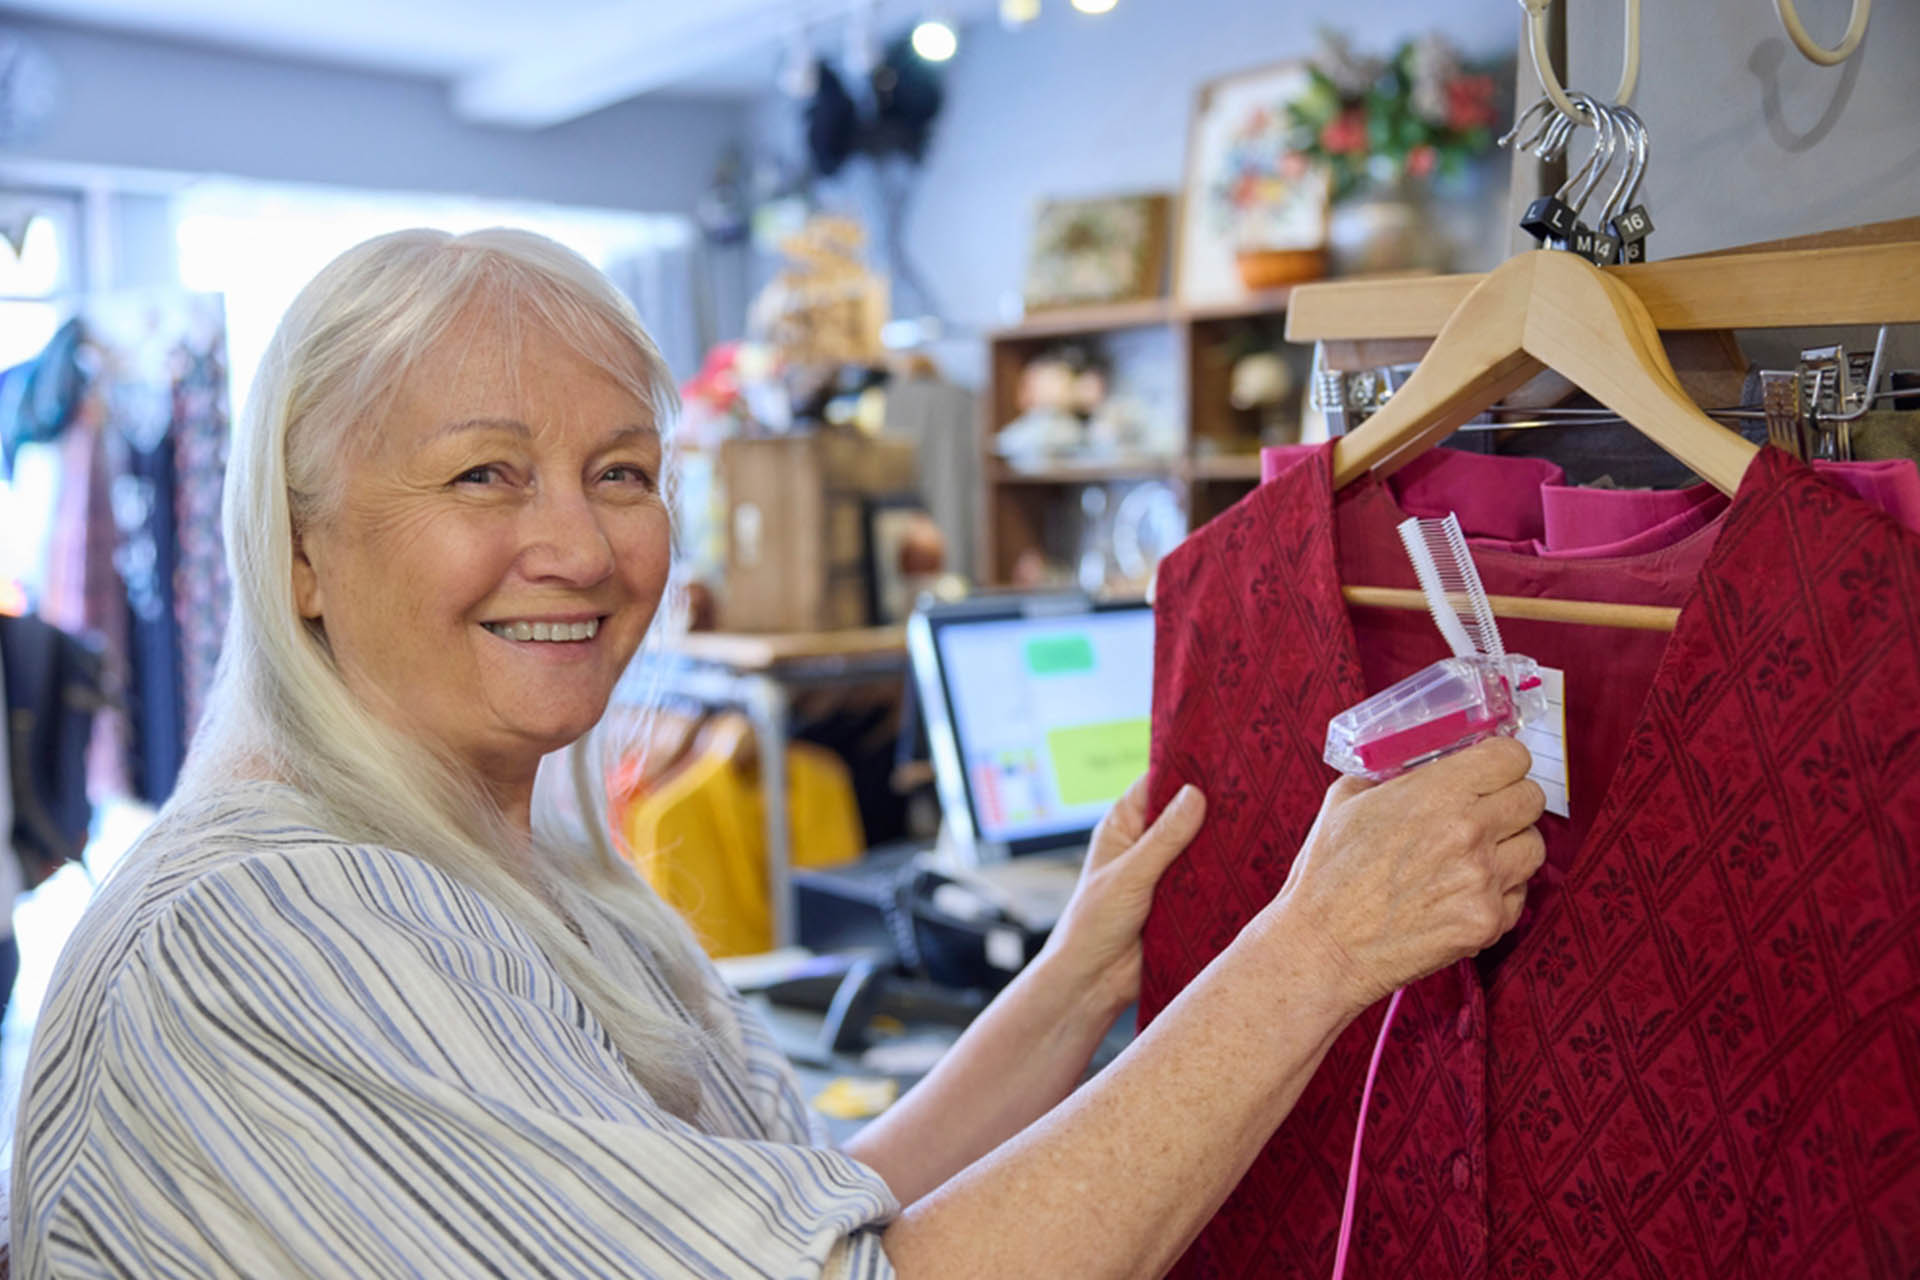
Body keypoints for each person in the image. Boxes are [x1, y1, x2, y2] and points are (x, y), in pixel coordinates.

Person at [9, 228, 1545, 1278]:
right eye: (486, 473)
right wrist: (1318, 949)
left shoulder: (523, 869)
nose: (582, 544)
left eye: (623, 472)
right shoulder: (271, 930)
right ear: (299, 557)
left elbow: (818, 1211)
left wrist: (1084, 971)